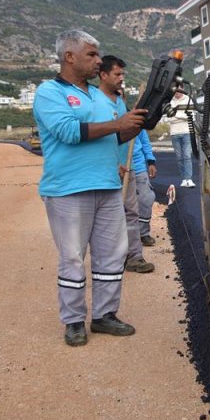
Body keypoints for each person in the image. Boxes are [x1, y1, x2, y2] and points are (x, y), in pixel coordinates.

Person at [34, 29, 146, 347]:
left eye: (98, 55)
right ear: (70, 57)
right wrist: (117, 125)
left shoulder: (101, 97)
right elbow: (69, 131)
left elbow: (117, 136)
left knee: (111, 256)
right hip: (68, 190)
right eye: (92, 54)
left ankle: (104, 315)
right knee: (72, 257)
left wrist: (137, 123)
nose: (99, 60)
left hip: (108, 186)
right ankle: (73, 321)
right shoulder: (49, 92)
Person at [98, 55, 154, 273]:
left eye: (123, 74)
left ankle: (135, 257)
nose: (121, 78)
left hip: (126, 167)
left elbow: (127, 134)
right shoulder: (95, 101)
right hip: (106, 169)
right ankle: (112, 259)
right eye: (117, 74)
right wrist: (113, 163)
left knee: (131, 212)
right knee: (110, 217)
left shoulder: (119, 102)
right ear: (103, 75)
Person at [166, 91, 195, 187]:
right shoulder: (170, 101)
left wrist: (175, 115)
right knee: (179, 157)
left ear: (182, 88)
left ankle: (189, 178)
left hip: (186, 131)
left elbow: (191, 116)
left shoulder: (188, 99)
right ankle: (184, 178)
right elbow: (168, 119)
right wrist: (183, 116)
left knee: (187, 156)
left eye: (179, 89)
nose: (177, 92)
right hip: (174, 133)